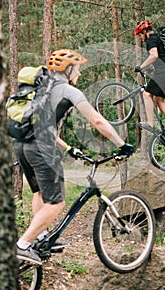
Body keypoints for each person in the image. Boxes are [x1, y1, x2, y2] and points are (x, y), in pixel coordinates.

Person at [14, 49, 134, 264]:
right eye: (77, 69)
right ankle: (22, 245)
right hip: (41, 150)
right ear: (68, 69)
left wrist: (69, 148)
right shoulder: (69, 91)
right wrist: (121, 144)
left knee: (40, 193)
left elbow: (43, 128)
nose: (79, 74)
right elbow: (96, 121)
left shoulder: (41, 90)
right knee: (56, 203)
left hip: (22, 146)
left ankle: (41, 238)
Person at [134, 20, 165, 131]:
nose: (140, 37)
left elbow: (154, 55)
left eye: (140, 35)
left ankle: (150, 123)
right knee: (158, 99)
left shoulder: (151, 40)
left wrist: (141, 67)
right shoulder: (157, 38)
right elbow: (161, 57)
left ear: (144, 31)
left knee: (147, 94)